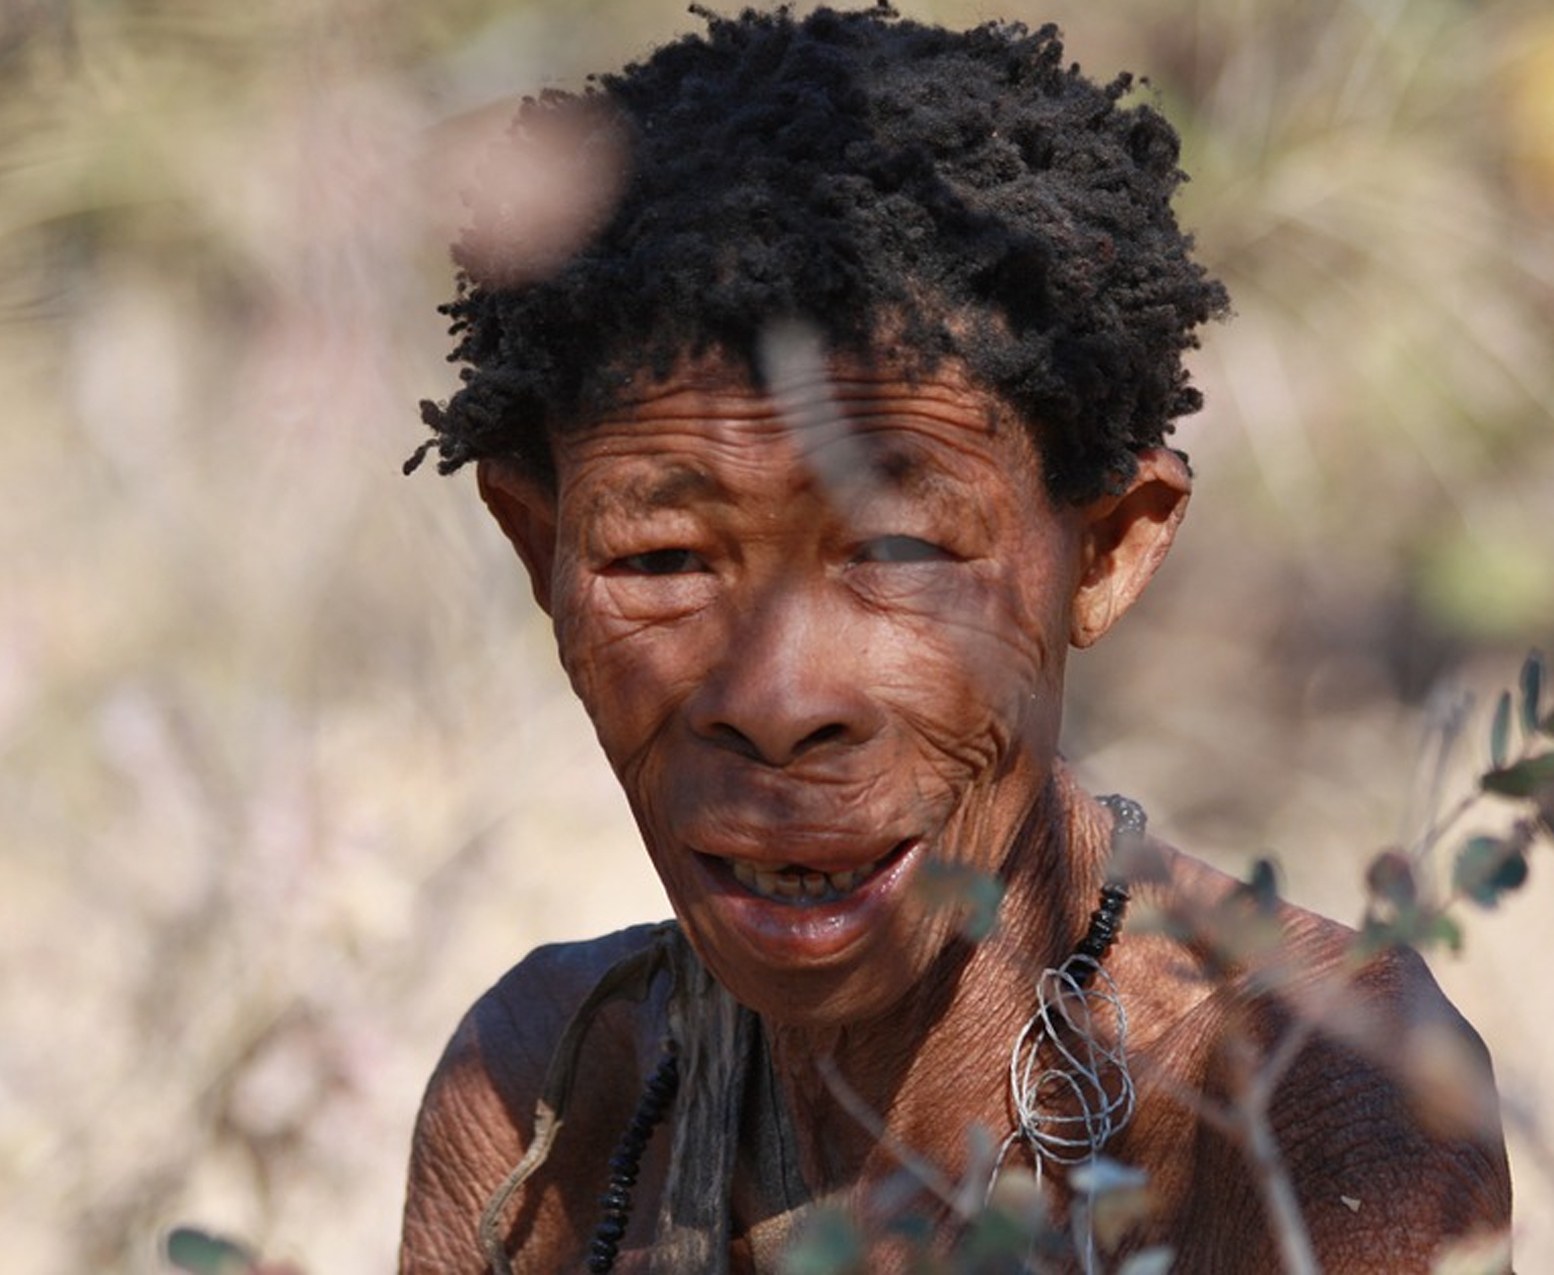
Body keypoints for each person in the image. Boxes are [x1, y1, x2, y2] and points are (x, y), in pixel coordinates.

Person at [398, 6, 1512, 1272]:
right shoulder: (542, 1089)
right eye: (661, 561)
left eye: (902, 554)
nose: (777, 699)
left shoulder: (1313, 1097)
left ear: (1107, 550)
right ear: (537, 548)